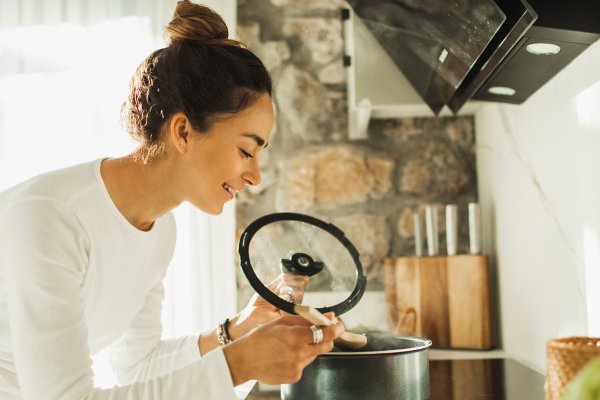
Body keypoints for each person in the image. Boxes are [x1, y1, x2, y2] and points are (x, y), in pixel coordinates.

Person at [0, 1, 345, 399]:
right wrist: (238, 363)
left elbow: (137, 364)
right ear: (182, 131)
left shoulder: (160, 229)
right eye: (246, 151)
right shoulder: (49, 218)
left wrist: (237, 331)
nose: (255, 176)